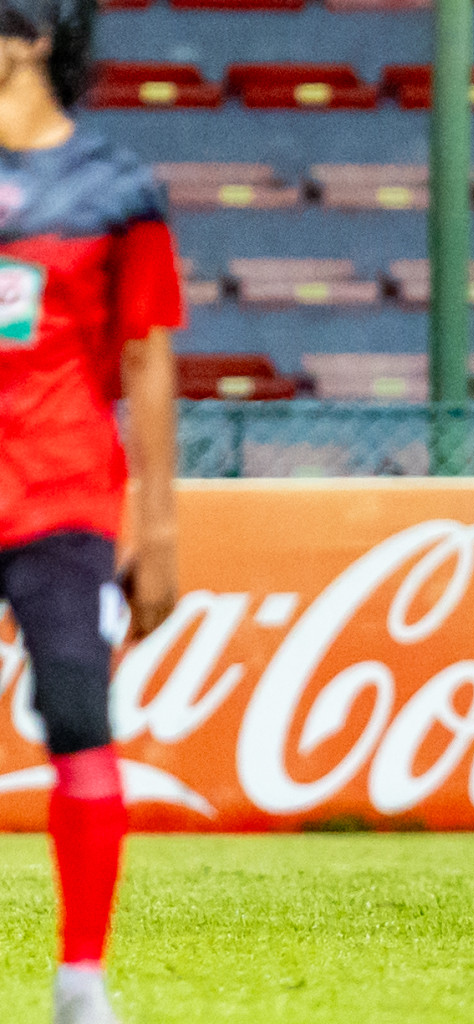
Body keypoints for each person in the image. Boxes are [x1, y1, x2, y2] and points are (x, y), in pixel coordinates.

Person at [0, 1, 182, 1019]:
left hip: (61, 495)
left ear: (28, 42)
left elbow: (150, 354)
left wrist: (156, 524)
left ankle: (79, 980)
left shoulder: (118, 189)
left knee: (76, 719)